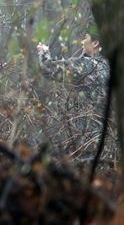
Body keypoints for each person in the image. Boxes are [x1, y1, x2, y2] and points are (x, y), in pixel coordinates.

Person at [36, 33, 113, 163]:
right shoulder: (108, 66)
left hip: (86, 141)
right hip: (110, 142)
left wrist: (44, 53)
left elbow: (48, 69)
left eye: (85, 38)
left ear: (95, 43)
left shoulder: (84, 65)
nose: (81, 42)